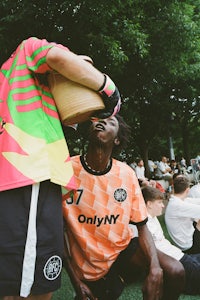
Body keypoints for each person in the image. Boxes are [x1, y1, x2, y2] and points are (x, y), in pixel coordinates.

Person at [0, 37, 121, 300]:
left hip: (25, 177)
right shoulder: (29, 47)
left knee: (25, 278)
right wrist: (108, 89)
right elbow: (59, 59)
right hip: (29, 172)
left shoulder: (13, 82)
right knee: (32, 288)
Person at [62, 114, 185, 300]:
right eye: (96, 120)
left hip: (124, 251)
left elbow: (141, 225)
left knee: (175, 271)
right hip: (89, 262)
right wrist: (75, 281)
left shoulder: (126, 174)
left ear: (117, 139)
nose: (101, 122)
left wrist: (155, 267)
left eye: (111, 122)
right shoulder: (66, 170)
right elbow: (55, 230)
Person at [142, 185, 200, 295]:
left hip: (178, 254)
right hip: (176, 261)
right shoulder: (144, 225)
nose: (163, 206)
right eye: (159, 203)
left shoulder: (152, 217)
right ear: (149, 204)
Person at [165, 175, 200, 254]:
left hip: (185, 238)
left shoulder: (177, 200)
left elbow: (196, 201)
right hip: (187, 245)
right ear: (188, 190)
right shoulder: (178, 205)